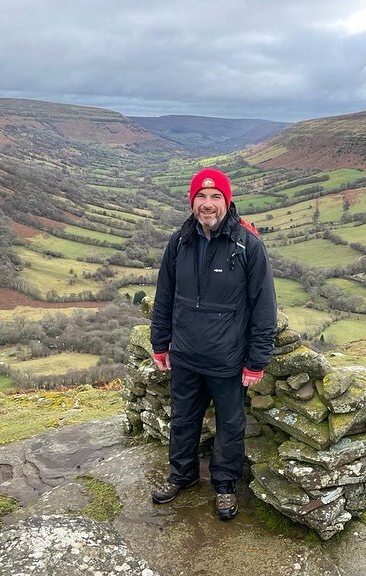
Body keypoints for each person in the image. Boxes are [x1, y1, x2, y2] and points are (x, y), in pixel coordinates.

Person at [149, 167, 277, 520]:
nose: (208, 204)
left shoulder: (248, 245)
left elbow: (264, 307)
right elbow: (165, 298)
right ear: (192, 202)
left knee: (230, 424)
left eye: (215, 197)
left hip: (228, 357)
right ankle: (182, 475)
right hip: (186, 355)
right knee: (184, 419)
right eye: (201, 197)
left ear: (227, 200)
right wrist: (160, 343)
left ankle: (224, 485)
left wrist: (257, 360)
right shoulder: (179, 242)